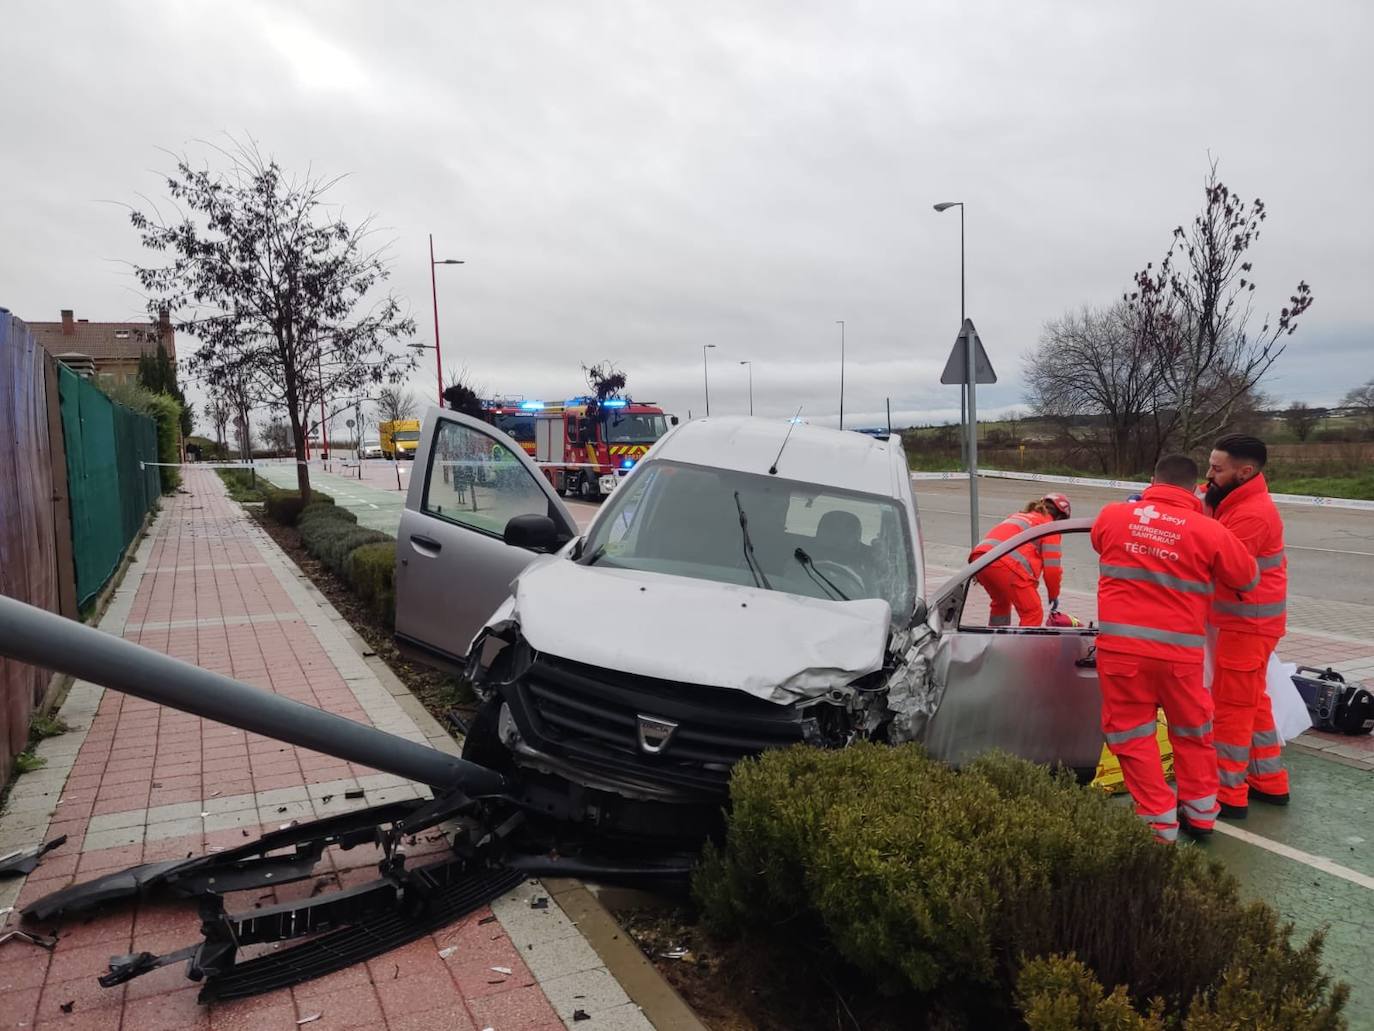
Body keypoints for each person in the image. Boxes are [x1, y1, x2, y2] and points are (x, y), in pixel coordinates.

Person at [1091, 454, 1258, 843]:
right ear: (1193, 488)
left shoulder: (1113, 515)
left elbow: (1100, 543)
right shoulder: (1209, 530)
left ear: (1152, 480)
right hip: (1180, 660)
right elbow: (1247, 578)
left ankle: (1158, 824)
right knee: (1193, 734)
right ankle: (1201, 817)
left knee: (1132, 737)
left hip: (1123, 656)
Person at [1205, 433, 1290, 818]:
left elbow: (1226, 568)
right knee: (1253, 704)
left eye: (1216, 469)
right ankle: (1268, 780)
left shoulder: (1251, 514)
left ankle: (1227, 792)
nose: (1209, 475)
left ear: (1245, 471)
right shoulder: (1236, 501)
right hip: (1251, 622)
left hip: (1247, 625)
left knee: (1232, 710)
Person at [970, 493, 1070, 626]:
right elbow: (1052, 569)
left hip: (980, 559)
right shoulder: (1049, 527)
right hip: (1005, 564)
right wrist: (1053, 594)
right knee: (1033, 612)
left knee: (1001, 602)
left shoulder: (1021, 516)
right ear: (1060, 516)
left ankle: (996, 641)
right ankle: (1023, 647)